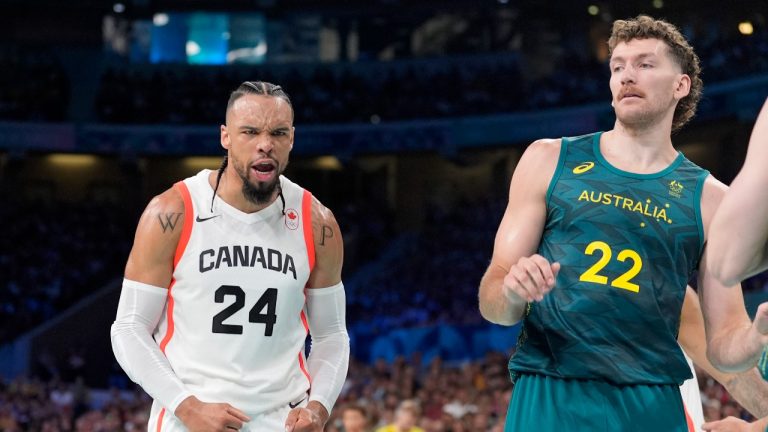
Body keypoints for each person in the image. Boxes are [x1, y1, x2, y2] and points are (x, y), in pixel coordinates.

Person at [478, 15, 766, 431]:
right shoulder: (547, 159)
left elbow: (722, 345)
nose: (627, 75)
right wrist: (511, 291)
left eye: (645, 65)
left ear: (680, 86)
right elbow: (494, 304)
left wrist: (754, 339)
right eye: (618, 67)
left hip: (650, 401)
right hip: (551, 391)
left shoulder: (712, 200)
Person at [110, 81, 350, 432]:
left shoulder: (318, 223)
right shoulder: (172, 212)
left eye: (278, 133)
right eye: (250, 132)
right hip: (189, 420)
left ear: (292, 139)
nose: (265, 144)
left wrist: (320, 408)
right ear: (225, 136)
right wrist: (187, 407)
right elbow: (129, 328)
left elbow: (331, 335)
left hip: (280, 421)